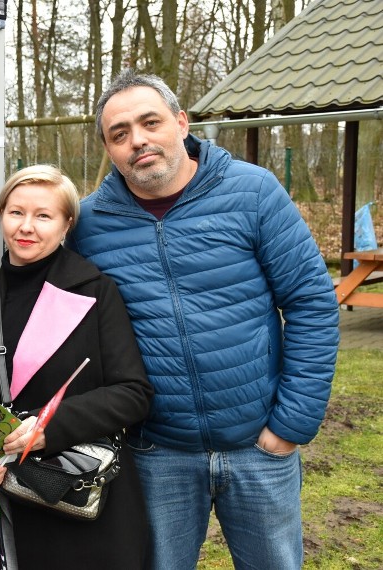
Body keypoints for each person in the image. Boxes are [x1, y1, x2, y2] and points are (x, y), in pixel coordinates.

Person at [68, 69, 340, 569]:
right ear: (108, 149)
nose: (138, 140)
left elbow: (310, 303)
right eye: (119, 133)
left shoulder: (253, 192)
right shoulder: (88, 226)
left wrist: (291, 424)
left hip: (259, 447)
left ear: (181, 122)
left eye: (150, 122)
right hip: (157, 454)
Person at [0, 164, 153, 569]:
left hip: (71, 497)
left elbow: (132, 393)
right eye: (16, 212)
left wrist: (47, 429)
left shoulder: (94, 292)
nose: (26, 227)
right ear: (1, 215)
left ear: (67, 223)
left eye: (43, 215)